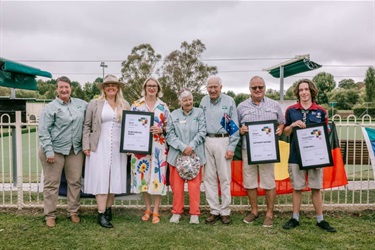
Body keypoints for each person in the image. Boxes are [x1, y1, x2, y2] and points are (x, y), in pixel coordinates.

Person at [282, 79, 336, 232]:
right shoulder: (291, 110)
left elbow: (326, 133)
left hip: (315, 155)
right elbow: (285, 132)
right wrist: (292, 125)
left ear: (311, 91)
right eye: (301, 90)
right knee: (297, 188)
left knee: (316, 188)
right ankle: (295, 218)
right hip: (295, 155)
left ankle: (320, 220)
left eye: (306, 89)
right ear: (297, 93)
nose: (304, 92)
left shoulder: (321, 111)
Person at [38, 76, 87, 228]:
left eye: (67, 87)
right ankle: (50, 214)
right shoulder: (51, 107)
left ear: (71, 88)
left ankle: (73, 211)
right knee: (52, 183)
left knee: (75, 182)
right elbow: (43, 130)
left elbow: (97, 108)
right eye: (61, 87)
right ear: (57, 89)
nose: (64, 90)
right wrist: (49, 151)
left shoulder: (81, 104)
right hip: (54, 151)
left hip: (75, 150)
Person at [82, 75, 130, 228]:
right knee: (101, 179)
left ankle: (109, 209)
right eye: (107, 85)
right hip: (99, 146)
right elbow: (86, 126)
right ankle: (101, 213)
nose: (111, 87)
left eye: (114, 85)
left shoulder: (125, 104)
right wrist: (86, 145)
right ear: (103, 88)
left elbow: (130, 127)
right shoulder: (95, 104)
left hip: (118, 148)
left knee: (113, 179)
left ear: (118, 88)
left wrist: (130, 146)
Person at [237, 76, 285, 227]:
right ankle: (254, 211)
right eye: (254, 88)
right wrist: (241, 130)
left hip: (267, 150)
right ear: (249, 89)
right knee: (250, 182)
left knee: (268, 182)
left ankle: (269, 213)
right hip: (248, 150)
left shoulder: (275, 105)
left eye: (260, 87)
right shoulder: (241, 107)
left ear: (265, 88)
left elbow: (282, 123)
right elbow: (236, 128)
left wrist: (280, 129)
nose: (257, 90)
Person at [199, 75, 240, 225]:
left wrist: (231, 146)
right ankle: (214, 210)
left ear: (221, 87)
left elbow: (234, 125)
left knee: (224, 177)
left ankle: (225, 211)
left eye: (215, 87)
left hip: (223, 140)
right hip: (207, 140)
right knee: (209, 178)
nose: (213, 90)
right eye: (210, 87)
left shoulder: (229, 101)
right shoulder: (203, 101)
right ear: (207, 88)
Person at [131, 76, 170, 224]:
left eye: (154, 86)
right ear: (145, 87)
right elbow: (130, 126)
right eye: (149, 86)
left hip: (158, 147)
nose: (152, 88)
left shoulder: (163, 106)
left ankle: (156, 211)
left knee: (157, 178)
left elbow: (170, 127)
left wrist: (161, 129)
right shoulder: (136, 105)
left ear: (158, 88)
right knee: (143, 179)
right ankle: (147, 208)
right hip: (139, 148)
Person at [166, 89, 206, 224]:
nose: (188, 102)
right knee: (177, 187)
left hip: (195, 155)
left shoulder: (199, 113)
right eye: (185, 100)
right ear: (180, 102)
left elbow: (202, 131)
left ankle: (195, 213)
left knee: (194, 186)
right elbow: (169, 135)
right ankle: (176, 212)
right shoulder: (173, 115)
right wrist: (183, 147)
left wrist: (191, 146)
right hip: (177, 155)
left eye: (190, 99)